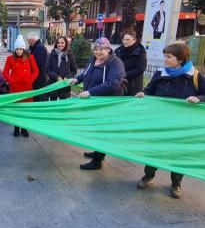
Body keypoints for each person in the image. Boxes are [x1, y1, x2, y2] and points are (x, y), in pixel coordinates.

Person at [135, 43, 205, 198]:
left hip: (182, 125)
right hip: (159, 123)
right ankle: (148, 176)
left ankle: (176, 183)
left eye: (169, 56)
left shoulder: (195, 76)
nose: (165, 59)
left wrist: (198, 98)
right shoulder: (160, 74)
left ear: (180, 59)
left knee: (178, 154)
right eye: (165, 55)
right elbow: (149, 90)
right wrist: (143, 94)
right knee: (154, 151)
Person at [70, 37, 126, 170]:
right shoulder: (93, 60)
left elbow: (113, 84)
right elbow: (86, 74)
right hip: (93, 102)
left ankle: (97, 161)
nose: (98, 52)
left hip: (106, 104)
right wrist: (76, 79)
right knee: (96, 129)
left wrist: (90, 92)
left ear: (108, 49)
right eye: (96, 49)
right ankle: (97, 152)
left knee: (103, 131)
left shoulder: (116, 63)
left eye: (101, 49)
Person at [3, 35, 39, 137]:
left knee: (26, 110)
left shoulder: (30, 57)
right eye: (17, 49)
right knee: (16, 110)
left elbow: (36, 71)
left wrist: (30, 80)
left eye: (20, 49)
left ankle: (24, 128)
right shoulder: (10, 58)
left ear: (24, 48)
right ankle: (16, 128)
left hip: (27, 89)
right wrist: (11, 81)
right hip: (15, 89)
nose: (19, 51)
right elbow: (5, 72)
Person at [115, 27, 147, 96]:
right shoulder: (118, 51)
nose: (125, 41)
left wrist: (124, 75)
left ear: (134, 40)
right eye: (124, 39)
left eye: (128, 40)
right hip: (119, 84)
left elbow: (140, 69)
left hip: (134, 85)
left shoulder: (140, 52)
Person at [45, 36, 77, 100]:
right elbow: (47, 69)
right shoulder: (52, 54)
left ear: (66, 44)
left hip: (64, 84)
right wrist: (57, 77)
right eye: (58, 43)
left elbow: (74, 70)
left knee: (63, 106)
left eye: (62, 43)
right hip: (53, 83)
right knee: (53, 105)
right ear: (56, 44)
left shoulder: (69, 55)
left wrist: (67, 77)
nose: (60, 45)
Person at [27, 32, 48, 102]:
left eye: (28, 41)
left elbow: (39, 63)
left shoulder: (39, 48)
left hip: (39, 79)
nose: (28, 43)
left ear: (31, 40)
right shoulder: (37, 47)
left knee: (40, 98)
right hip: (38, 78)